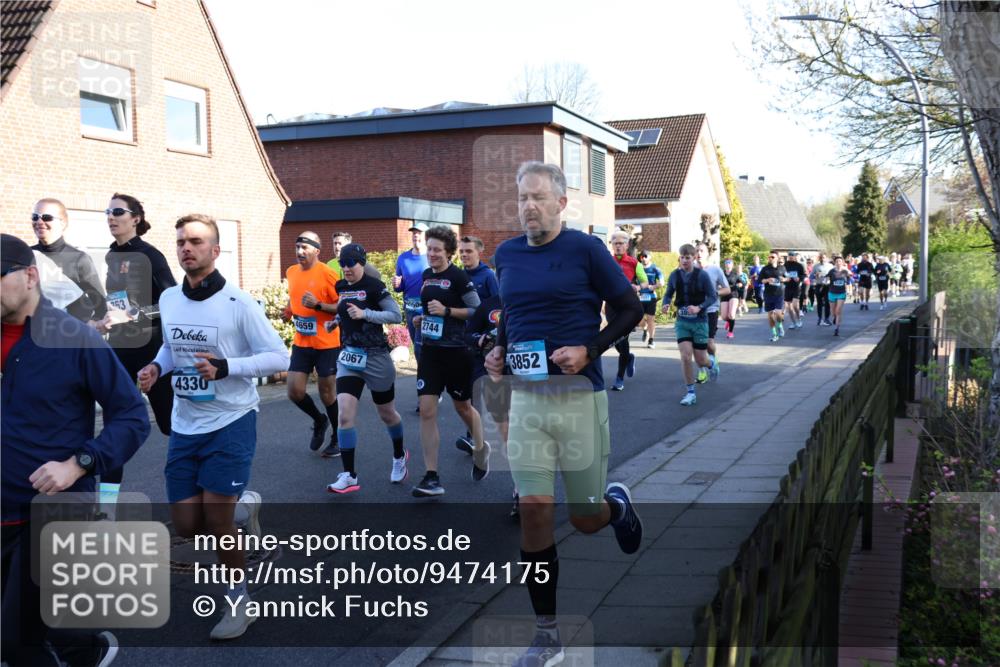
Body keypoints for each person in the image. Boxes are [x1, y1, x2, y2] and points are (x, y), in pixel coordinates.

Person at [485, 162, 643, 667]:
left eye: (538, 197)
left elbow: (631, 309)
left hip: (579, 397)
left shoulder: (587, 250)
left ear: (560, 203)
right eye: (522, 199)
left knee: (586, 518)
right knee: (533, 510)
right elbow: (511, 313)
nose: (528, 206)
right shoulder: (506, 254)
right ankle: (546, 634)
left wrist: (590, 350)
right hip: (527, 398)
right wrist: (498, 351)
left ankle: (615, 508)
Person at [137, 214, 288, 640]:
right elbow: (171, 345)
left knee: (217, 520)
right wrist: (155, 366)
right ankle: (246, 506)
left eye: (197, 242)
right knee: (186, 524)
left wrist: (228, 368)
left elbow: (280, 357)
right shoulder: (169, 299)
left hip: (232, 419)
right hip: (187, 423)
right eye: (182, 241)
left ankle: (240, 601)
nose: (187, 248)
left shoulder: (239, 304)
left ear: (215, 250)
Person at [2, 233, 150, 667]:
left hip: (53, 508)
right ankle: (90, 649)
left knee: (16, 641)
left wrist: (78, 463)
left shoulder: (73, 338)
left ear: (29, 276)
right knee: (42, 630)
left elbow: (132, 417)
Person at [96, 193, 176, 517]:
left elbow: (171, 303)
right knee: (115, 426)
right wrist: (104, 318)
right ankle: (106, 508)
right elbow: (117, 303)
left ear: (136, 218)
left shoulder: (151, 256)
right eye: (108, 212)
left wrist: (134, 315)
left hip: (152, 354)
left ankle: (203, 496)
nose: (111, 217)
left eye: (118, 211)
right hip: (120, 351)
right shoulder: (112, 256)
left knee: (173, 426)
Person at [410, 225, 487, 496]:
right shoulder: (427, 276)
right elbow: (430, 309)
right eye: (429, 249)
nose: (431, 254)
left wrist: (447, 311)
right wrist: (423, 319)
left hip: (457, 352)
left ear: (449, 253)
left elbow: (477, 310)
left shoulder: (458, 277)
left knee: (463, 408)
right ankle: (431, 476)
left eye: (437, 250)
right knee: (427, 409)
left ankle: (481, 446)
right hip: (431, 352)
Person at [325, 243, 408, 494]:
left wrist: (366, 314)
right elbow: (345, 311)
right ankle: (349, 475)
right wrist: (336, 321)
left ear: (361, 263)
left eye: (351, 263)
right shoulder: (341, 286)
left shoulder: (375, 287)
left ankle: (399, 456)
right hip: (349, 357)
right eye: (343, 263)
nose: (347, 268)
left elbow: (396, 316)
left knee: (387, 413)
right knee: (344, 415)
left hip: (375, 358)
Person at [284, 232, 341, 457]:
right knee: (294, 391)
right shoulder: (291, 272)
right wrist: (289, 310)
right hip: (302, 341)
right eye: (297, 247)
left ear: (317, 250)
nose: (300, 252)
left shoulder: (328, 274)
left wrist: (318, 306)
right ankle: (319, 421)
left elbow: (342, 305)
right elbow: (294, 296)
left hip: (327, 342)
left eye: (304, 248)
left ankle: (338, 437)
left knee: (327, 393)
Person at [29, 198, 106, 324]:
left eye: (47, 217)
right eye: (35, 217)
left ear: (63, 223)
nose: (39, 221)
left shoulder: (79, 259)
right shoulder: (26, 255)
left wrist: (90, 326)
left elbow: (100, 305)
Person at [662, 244, 719, 406]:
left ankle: (712, 364)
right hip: (682, 322)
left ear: (694, 258)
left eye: (688, 257)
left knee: (701, 360)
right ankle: (690, 392)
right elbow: (668, 294)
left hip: (700, 322)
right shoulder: (674, 275)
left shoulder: (702, 276)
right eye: (682, 257)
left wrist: (699, 307)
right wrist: (665, 304)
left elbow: (712, 296)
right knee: (686, 356)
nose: (685, 260)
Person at [608, 231, 647, 391]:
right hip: (611, 306)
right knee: (614, 339)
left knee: (623, 340)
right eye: (615, 243)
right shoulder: (606, 261)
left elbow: (645, 282)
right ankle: (629, 357)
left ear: (626, 245)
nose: (618, 246)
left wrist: (637, 286)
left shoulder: (634, 263)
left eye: (620, 243)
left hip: (627, 307)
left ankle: (619, 378)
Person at [393, 222, 430, 369]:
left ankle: (427, 378)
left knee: (422, 346)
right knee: (417, 345)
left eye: (419, 233)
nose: (416, 235)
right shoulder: (403, 258)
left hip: (427, 308)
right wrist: (397, 284)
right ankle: (426, 376)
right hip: (410, 308)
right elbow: (400, 287)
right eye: (414, 233)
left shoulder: (432, 257)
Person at [695, 243, 728, 382]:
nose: (699, 253)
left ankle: (713, 359)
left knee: (708, 343)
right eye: (697, 250)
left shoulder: (716, 270)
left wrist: (714, 292)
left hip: (711, 310)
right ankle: (701, 371)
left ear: (707, 253)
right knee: (697, 343)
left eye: (702, 250)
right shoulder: (689, 270)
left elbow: (727, 289)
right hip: (695, 311)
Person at [758, 251, 788, 342]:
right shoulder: (765, 269)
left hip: (779, 293)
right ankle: (774, 334)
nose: (770, 258)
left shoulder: (782, 268)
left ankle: (780, 325)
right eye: (769, 257)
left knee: (778, 315)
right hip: (768, 294)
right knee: (770, 315)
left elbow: (788, 278)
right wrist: (767, 280)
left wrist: (784, 279)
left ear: (777, 258)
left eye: (772, 257)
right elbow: (760, 280)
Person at [458, 235, 499, 301]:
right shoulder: (459, 275)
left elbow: (498, 303)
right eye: (461, 251)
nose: (463, 254)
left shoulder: (489, 275)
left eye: (469, 251)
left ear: (479, 254)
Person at [638, 252, 663, 348]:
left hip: (651, 297)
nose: (643, 258)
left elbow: (662, 282)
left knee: (650, 320)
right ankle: (645, 329)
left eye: (645, 256)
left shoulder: (655, 268)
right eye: (642, 257)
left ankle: (651, 340)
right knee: (638, 319)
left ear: (650, 257)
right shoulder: (637, 268)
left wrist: (654, 286)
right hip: (640, 297)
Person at [827, 256, 851, 336]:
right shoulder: (831, 271)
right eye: (837, 261)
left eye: (840, 261)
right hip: (832, 293)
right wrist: (825, 280)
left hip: (841, 293)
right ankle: (834, 318)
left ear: (842, 262)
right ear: (835, 263)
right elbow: (827, 279)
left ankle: (836, 328)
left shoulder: (845, 271)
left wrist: (849, 290)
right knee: (833, 312)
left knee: (838, 311)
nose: (838, 263)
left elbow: (849, 280)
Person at [783, 250, 806, 329]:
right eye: (790, 255)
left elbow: (803, 275)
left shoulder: (799, 265)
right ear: (788, 256)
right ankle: (793, 322)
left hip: (796, 287)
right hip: (788, 287)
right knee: (789, 307)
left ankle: (799, 319)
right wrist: (785, 279)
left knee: (795, 305)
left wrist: (799, 278)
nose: (791, 256)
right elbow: (782, 275)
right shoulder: (785, 265)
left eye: (792, 255)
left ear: (795, 256)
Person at [812, 253, 834, 326]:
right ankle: (819, 318)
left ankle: (827, 318)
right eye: (821, 258)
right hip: (819, 285)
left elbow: (833, 275)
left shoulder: (830, 266)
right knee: (819, 303)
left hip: (827, 286)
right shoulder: (816, 266)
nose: (822, 259)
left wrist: (829, 278)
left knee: (827, 302)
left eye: (824, 257)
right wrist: (815, 275)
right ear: (819, 258)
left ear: (826, 258)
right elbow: (811, 276)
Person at [721, 258, 739, 339]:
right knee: (724, 317)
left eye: (730, 263)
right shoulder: (721, 274)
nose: (728, 264)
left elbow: (743, 282)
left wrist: (740, 284)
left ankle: (730, 332)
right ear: (725, 264)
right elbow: (716, 282)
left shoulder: (735, 274)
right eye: (727, 262)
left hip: (733, 294)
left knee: (731, 314)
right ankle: (729, 321)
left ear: (732, 265)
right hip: (724, 295)